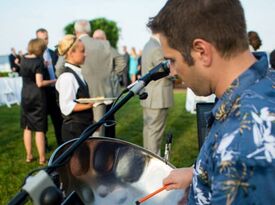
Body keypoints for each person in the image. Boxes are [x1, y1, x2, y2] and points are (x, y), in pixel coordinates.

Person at [147, 0, 275, 204]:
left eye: (172, 60)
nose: (172, 71)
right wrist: (197, 174)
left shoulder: (242, 142)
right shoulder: (266, 81)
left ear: (201, 51)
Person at [56, 20, 125, 138]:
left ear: (75, 31)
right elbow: (121, 62)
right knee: (101, 136)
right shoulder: (103, 44)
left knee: (96, 138)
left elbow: (58, 67)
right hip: (101, 95)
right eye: (83, 52)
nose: (85, 54)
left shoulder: (73, 52)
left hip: (83, 107)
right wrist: (110, 76)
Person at [20, 38, 56, 165]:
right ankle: (42, 158)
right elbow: (40, 83)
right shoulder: (39, 62)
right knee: (40, 128)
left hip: (25, 95)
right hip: (37, 97)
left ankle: (29, 156)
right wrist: (54, 81)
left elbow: (28, 73)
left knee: (27, 127)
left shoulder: (23, 59)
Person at [56, 34, 94, 142]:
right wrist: (90, 104)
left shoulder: (77, 73)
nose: (85, 54)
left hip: (82, 128)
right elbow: (66, 106)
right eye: (82, 51)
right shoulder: (67, 77)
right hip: (74, 131)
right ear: (71, 53)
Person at [140, 35, 174, 155]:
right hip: (158, 97)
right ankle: (153, 161)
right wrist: (177, 71)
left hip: (150, 95)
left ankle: (147, 158)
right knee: (155, 132)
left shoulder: (148, 45)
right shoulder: (157, 48)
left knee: (149, 130)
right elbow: (165, 71)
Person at [36, 28, 63, 146]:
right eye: (41, 39)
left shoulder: (53, 53)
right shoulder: (35, 56)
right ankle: (44, 145)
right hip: (42, 92)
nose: (44, 41)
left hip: (55, 90)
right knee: (43, 122)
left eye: (46, 38)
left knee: (58, 119)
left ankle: (61, 143)